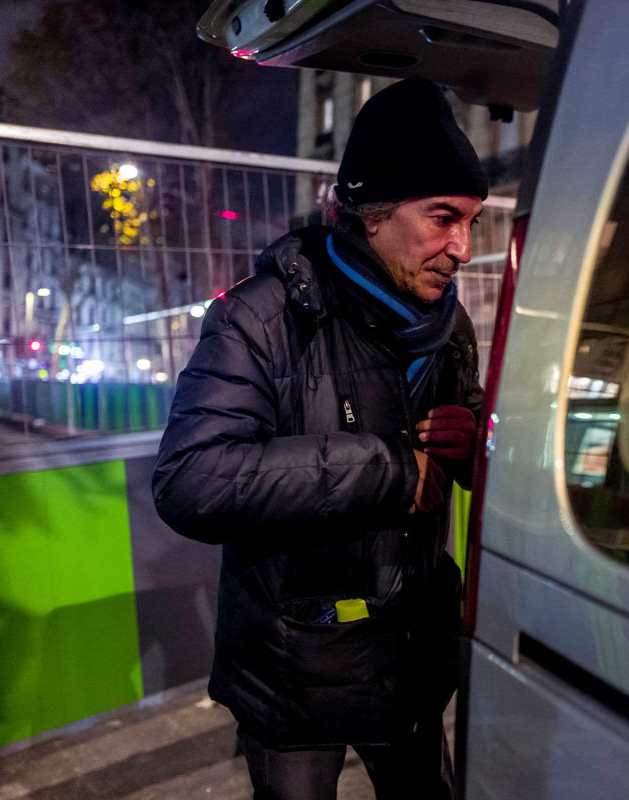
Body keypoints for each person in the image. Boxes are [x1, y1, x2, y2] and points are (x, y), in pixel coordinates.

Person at [151, 77, 485, 799]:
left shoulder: (451, 326)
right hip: (293, 673)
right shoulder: (262, 317)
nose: (462, 247)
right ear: (374, 213)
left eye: (472, 222)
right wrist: (391, 468)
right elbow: (190, 480)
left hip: (412, 662)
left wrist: (479, 450)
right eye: (442, 217)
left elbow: (475, 453)